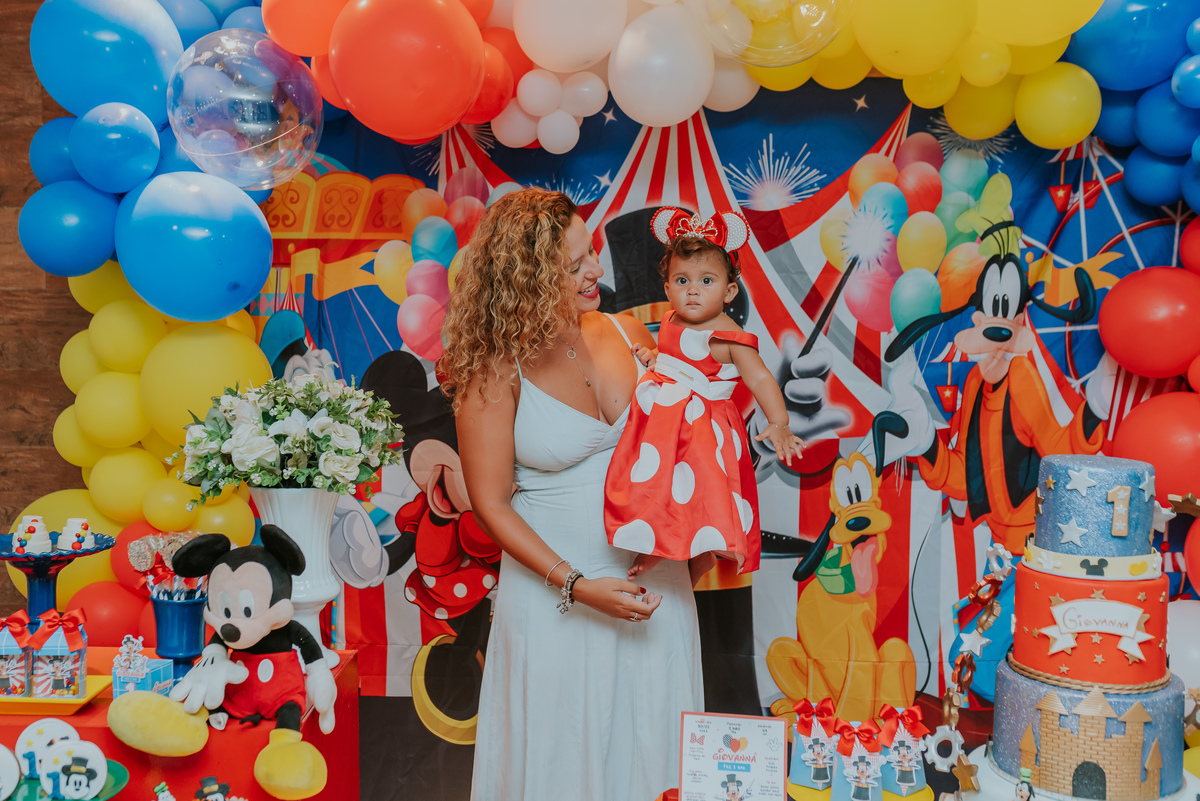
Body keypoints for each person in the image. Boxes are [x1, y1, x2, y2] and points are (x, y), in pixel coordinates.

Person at [440, 188, 704, 801]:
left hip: (653, 587)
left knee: (653, 749)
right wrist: (575, 584)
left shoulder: (627, 328)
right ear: (527, 277)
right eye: (574, 264)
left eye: (594, 252)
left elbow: (684, 446)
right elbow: (490, 501)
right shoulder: (493, 366)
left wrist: (682, 539)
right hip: (556, 601)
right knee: (563, 762)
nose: (596, 272)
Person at [605, 208, 804, 579]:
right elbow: (674, 355)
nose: (692, 290)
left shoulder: (727, 336)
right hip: (661, 420)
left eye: (707, 280)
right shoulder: (670, 319)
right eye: (682, 280)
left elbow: (760, 378)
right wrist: (654, 357)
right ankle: (655, 541)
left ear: (729, 291)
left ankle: (695, 552)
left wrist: (779, 421)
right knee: (653, 484)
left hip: (700, 427)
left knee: (694, 489)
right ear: (667, 288)